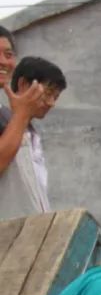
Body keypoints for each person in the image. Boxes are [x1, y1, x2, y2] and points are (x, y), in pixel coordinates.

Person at [0, 55, 63, 220]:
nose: (51, 103)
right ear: (23, 85)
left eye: (55, 97)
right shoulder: (4, 121)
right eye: (48, 93)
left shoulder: (32, 134)